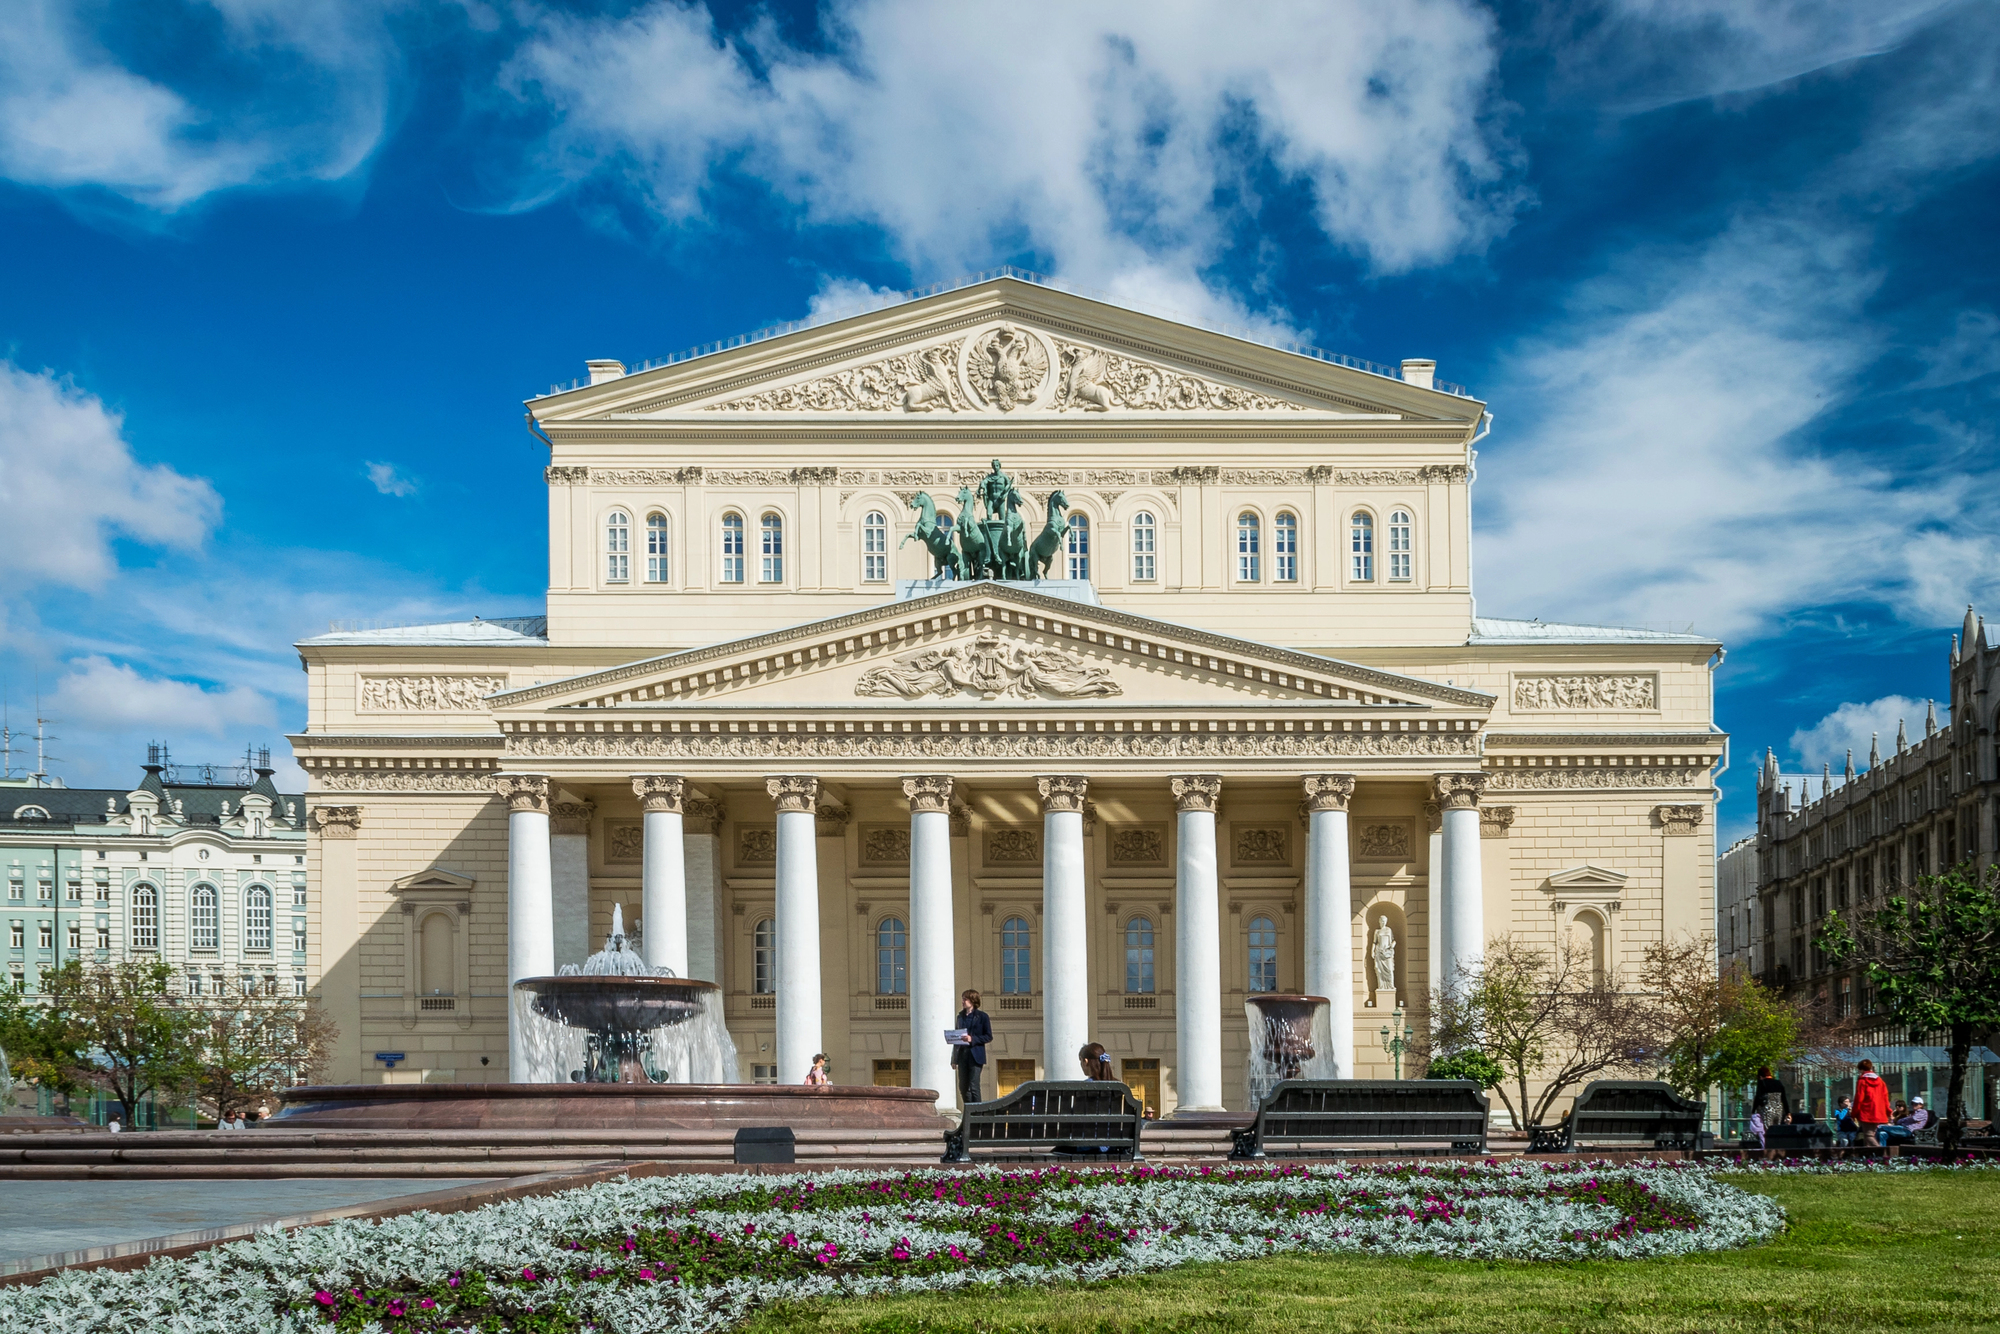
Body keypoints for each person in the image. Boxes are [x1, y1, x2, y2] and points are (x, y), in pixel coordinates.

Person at [950, 990, 991, 1106]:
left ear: (972, 1001)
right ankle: (969, 1110)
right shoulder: (960, 1017)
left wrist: (972, 1039)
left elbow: (988, 1036)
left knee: (974, 1086)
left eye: (965, 999)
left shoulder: (982, 1017)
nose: (963, 1001)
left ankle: (977, 1113)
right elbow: (957, 1039)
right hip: (963, 1055)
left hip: (975, 1056)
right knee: (963, 1087)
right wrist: (954, 1059)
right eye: (962, 999)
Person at [1852, 1059, 1892, 1146]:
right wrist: (1888, 1112)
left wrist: (1854, 1113)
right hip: (1878, 1112)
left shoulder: (1862, 1081)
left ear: (1861, 1069)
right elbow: (1885, 1098)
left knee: (1868, 1135)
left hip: (1866, 1112)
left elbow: (1859, 1098)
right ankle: (1869, 1154)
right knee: (1871, 1135)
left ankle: (1881, 1152)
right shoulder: (1880, 1081)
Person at [1748, 1066, 1790, 1149]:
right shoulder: (1779, 1083)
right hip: (1778, 1110)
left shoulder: (1762, 1083)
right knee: (1776, 1131)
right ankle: (1777, 1148)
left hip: (1767, 1110)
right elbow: (1784, 1099)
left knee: (1767, 1132)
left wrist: (1753, 1111)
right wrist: (1788, 1112)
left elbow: (1757, 1097)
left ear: (1760, 1076)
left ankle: (1768, 1150)